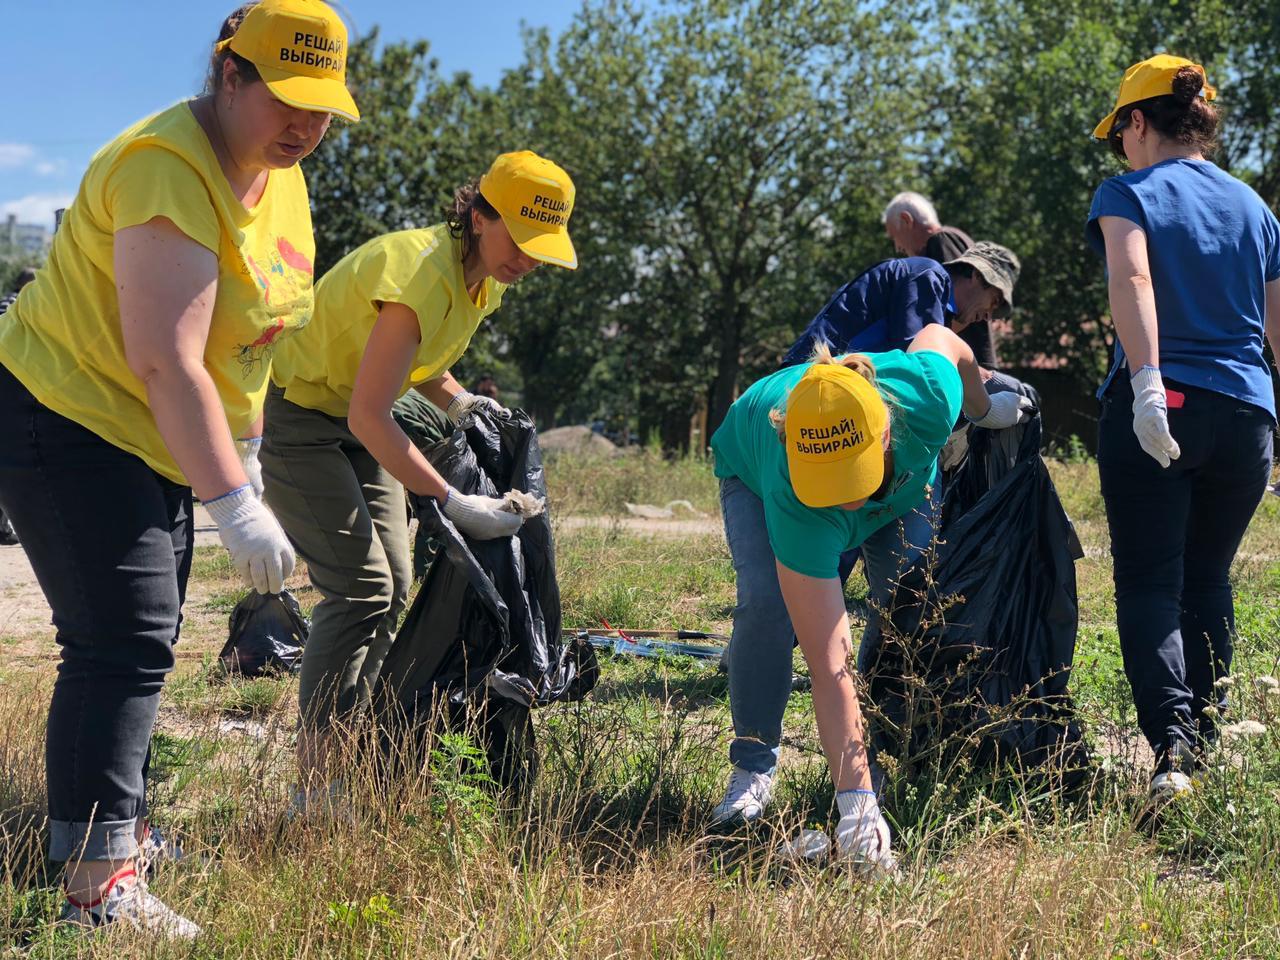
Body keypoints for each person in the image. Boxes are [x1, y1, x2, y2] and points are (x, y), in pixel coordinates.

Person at [0, 0, 358, 938]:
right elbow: (166, 357)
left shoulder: (277, 170)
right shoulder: (165, 166)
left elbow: (253, 330)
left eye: (325, 109)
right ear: (229, 73)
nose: (308, 127)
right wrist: (236, 501)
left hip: (165, 430)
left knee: (144, 634)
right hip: (69, 411)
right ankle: (92, 891)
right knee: (122, 637)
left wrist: (241, 449)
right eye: (288, 99)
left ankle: (122, 834)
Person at [262, 151, 577, 810]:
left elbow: (415, 361)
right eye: (519, 239)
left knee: (393, 588)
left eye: (541, 248)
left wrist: (458, 398)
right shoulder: (418, 273)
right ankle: (317, 784)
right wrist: (454, 501)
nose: (528, 259)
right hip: (304, 419)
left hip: (353, 424)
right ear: (480, 215)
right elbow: (371, 413)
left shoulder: (480, 280)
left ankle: (361, 757)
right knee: (361, 590)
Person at [707, 323, 1032, 857]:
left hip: (904, 491)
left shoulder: (925, 397)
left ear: (884, 434)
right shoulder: (793, 486)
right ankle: (752, 769)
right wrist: (853, 807)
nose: (844, 499)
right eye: (828, 479)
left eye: (849, 475)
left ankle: (883, 754)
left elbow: (945, 339)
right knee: (769, 607)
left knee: (908, 608)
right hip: (754, 470)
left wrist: (978, 408)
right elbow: (828, 663)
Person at [1088, 55, 1279, 805]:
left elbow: (1131, 279)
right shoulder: (1256, 207)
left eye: (1120, 134)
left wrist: (1144, 383)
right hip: (1245, 415)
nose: (1121, 151)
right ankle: (1210, 741)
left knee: (1148, 579)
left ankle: (1172, 751)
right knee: (1209, 578)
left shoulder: (1127, 192)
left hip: (1162, 406)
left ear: (1139, 122)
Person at [882, 191, 998, 367]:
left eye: (894, 236)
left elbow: (959, 306)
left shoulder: (941, 241)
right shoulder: (951, 239)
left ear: (906, 220)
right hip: (966, 364)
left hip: (968, 366)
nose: (898, 247)